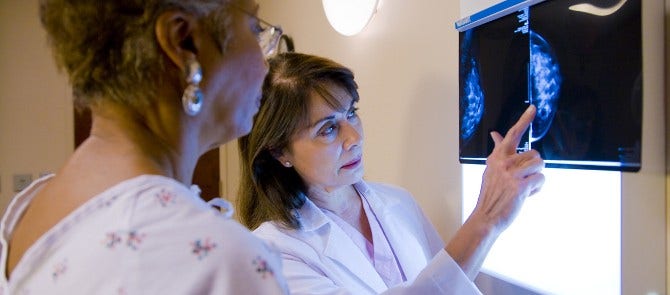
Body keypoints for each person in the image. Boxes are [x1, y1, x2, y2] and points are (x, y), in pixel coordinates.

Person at [0, 0, 289, 294]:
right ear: (183, 41)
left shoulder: (32, 207)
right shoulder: (222, 264)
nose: (266, 64)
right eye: (254, 28)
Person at [237, 52, 545, 294]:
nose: (354, 138)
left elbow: (454, 284)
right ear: (280, 152)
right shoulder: (271, 253)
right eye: (328, 129)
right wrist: (486, 219)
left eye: (351, 114)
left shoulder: (399, 202)